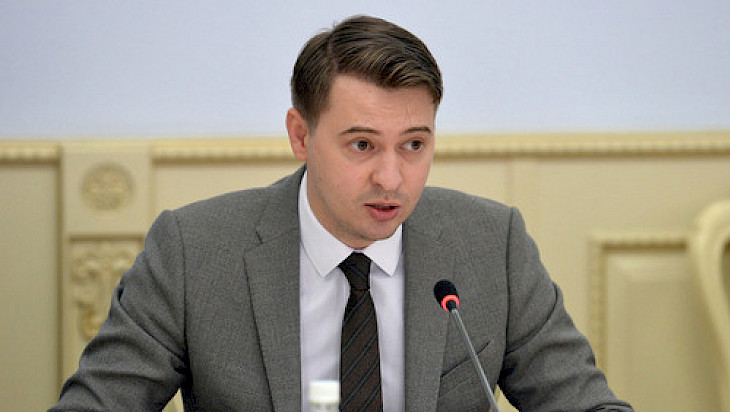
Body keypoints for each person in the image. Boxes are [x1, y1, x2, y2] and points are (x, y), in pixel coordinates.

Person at [51, 15, 633, 411]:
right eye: (362, 145)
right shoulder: (192, 252)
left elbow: (585, 403)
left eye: (414, 144)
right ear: (301, 136)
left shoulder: (491, 245)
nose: (392, 178)